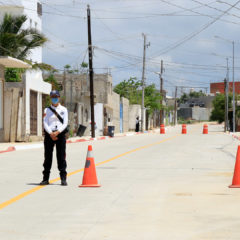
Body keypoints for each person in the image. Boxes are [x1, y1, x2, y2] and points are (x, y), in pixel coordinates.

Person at [40, 90, 68, 186]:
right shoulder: (46, 110)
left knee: (61, 157)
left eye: (56, 96)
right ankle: (45, 178)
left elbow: (65, 123)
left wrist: (57, 132)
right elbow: (45, 123)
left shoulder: (64, 109)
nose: (54, 98)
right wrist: (51, 133)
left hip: (60, 134)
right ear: (50, 98)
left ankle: (63, 179)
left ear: (59, 97)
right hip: (49, 135)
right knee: (48, 157)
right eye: (52, 97)